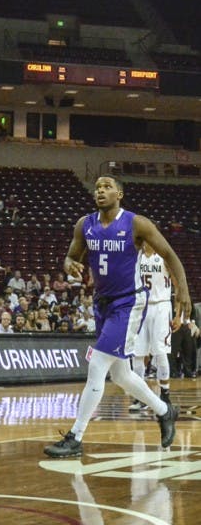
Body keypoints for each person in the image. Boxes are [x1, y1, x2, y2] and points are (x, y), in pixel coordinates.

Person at [44, 176, 191, 458]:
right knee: (121, 374)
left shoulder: (137, 223)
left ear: (119, 194)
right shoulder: (84, 224)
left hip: (129, 303)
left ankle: (76, 436)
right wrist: (69, 264)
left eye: (107, 187)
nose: (100, 191)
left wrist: (182, 290)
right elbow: (70, 256)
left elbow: (170, 254)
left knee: (98, 364)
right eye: (98, 187)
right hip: (102, 304)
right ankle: (165, 410)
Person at [128, 241, 174, 413]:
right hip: (141, 307)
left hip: (161, 305)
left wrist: (180, 315)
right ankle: (141, 397)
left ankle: (165, 395)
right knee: (137, 355)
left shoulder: (164, 257)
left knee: (160, 352)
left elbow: (177, 282)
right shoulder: (136, 257)